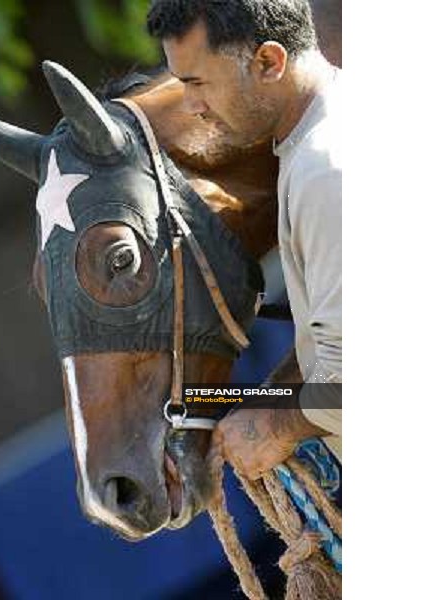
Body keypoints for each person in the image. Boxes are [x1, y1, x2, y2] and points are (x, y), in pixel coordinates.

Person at [146, 0, 342, 478]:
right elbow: (331, 348)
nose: (191, 106)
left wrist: (273, 428)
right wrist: (258, 403)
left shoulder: (324, 169)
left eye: (197, 83)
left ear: (269, 62)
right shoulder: (318, 144)